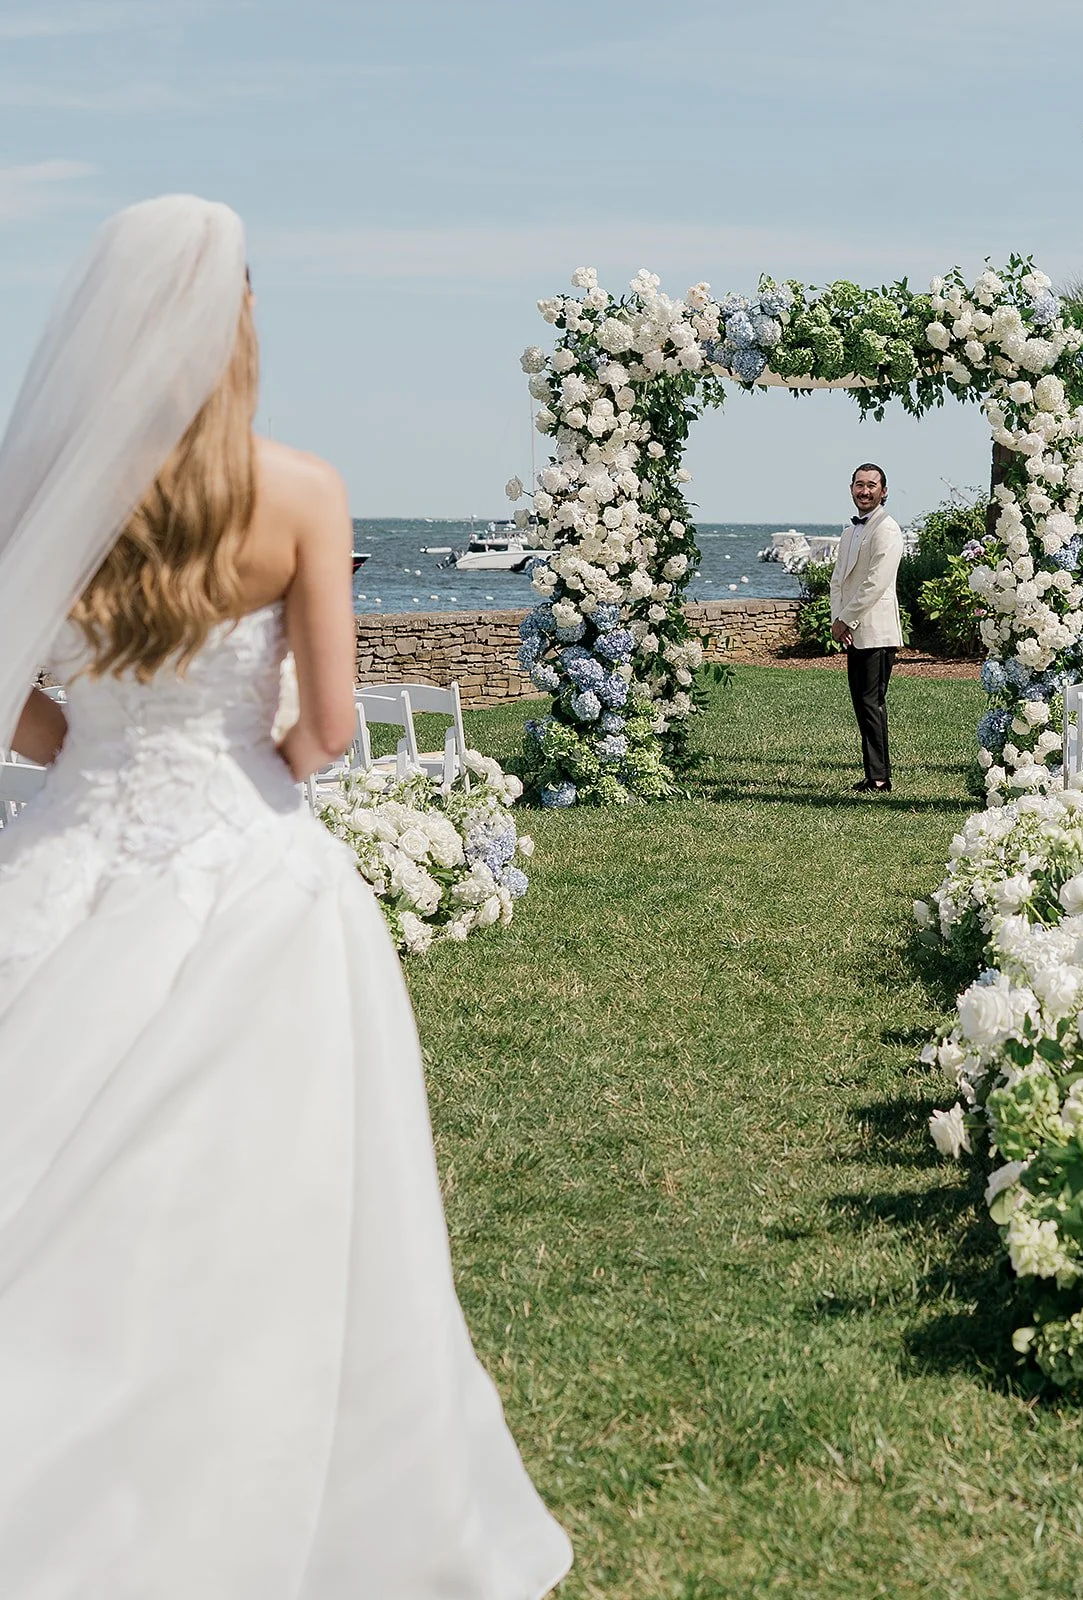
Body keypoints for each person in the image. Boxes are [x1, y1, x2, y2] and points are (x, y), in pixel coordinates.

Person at [0, 197, 572, 1598]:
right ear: (234, 320)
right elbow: (325, 728)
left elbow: (20, 708)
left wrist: (94, 750)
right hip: (248, 868)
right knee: (265, 1195)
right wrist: (239, 756)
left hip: (68, 854)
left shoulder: (46, 495)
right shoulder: (302, 492)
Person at [829, 463, 904, 792]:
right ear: (851, 489)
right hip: (852, 631)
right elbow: (838, 581)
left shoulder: (887, 529)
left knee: (872, 704)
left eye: (872, 485)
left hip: (876, 631)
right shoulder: (849, 532)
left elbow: (876, 583)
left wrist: (847, 619)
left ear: (883, 491)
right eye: (859, 485)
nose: (865, 491)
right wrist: (838, 620)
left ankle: (880, 778)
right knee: (862, 704)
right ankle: (873, 774)